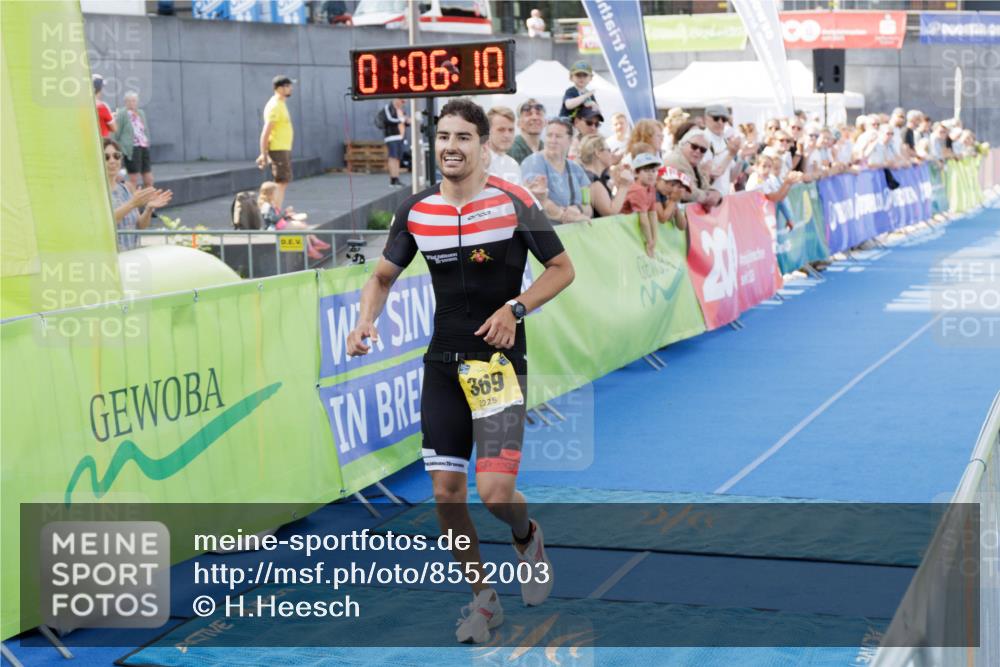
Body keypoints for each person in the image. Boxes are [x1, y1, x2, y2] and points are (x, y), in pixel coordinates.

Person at [346, 98, 574, 645]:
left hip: (495, 367)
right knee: (447, 494)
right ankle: (483, 601)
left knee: (495, 494)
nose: (450, 146)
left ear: (483, 146)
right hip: (441, 366)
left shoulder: (515, 202)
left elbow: (563, 270)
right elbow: (379, 277)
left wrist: (516, 308)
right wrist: (363, 323)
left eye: (462, 138)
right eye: (443, 137)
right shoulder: (416, 209)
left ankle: (527, 537)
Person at [104, 138, 172, 251]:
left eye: (116, 156)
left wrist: (148, 208)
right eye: (106, 157)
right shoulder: (95, 191)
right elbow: (106, 223)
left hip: (131, 258)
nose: (112, 161)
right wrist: (132, 203)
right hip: (110, 259)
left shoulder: (126, 188)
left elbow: (140, 226)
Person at [520, 118, 592, 223]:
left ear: (570, 140)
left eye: (558, 136)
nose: (552, 140)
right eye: (549, 135)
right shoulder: (533, 163)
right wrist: (566, 217)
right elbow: (538, 200)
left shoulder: (576, 169)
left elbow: (588, 205)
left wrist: (578, 210)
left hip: (574, 234)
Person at [257, 181, 330, 260]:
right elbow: (273, 219)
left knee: (302, 225)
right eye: (276, 192)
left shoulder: (270, 203)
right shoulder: (266, 206)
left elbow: (276, 218)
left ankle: (312, 245)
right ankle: (311, 246)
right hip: (275, 228)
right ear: (270, 194)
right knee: (302, 226)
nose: (277, 195)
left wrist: (287, 215)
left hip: (280, 224)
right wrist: (285, 213)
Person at [662, 123, 722, 209]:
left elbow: (705, 186)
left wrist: (714, 193)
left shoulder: (693, 163)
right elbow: (689, 192)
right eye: (694, 146)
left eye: (703, 150)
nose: (698, 151)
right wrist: (709, 197)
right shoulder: (675, 160)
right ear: (683, 143)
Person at [256, 75, 295, 208]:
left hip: (283, 148)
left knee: (283, 182)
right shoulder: (274, 106)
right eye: (288, 86)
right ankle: (274, 213)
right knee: (281, 181)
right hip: (278, 148)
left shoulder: (281, 104)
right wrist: (263, 153)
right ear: (279, 88)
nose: (291, 88)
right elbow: (266, 132)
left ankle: (276, 211)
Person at [578, 134, 632, 218]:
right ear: (598, 153)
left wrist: (617, 183)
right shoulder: (594, 182)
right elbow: (610, 212)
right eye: (609, 150)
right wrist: (624, 186)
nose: (611, 154)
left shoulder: (589, 177)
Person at [622, 152, 661, 258]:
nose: (651, 174)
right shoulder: (637, 189)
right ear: (636, 173)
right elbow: (643, 219)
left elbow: (652, 214)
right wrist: (649, 242)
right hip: (622, 227)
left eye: (653, 171)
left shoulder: (651, 188)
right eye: (646, 170)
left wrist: (654, 239)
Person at [112, 91, 155, 189]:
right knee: (134, 177)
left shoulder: (141, 112)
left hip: (143, 145)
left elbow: (145, 128)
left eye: (134, 101)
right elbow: (116, 132)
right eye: (129, 101)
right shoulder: (122, 114)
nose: (132, 103)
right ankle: (132, 201)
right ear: (125, 102)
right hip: (131, 148)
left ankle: (149, 200)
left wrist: (147, 140)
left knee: (148, 177)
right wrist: (118, 148)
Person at [701, 104, 742, 197]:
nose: (720, 122)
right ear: (706, 119)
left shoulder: (724, 141)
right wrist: (731, 155)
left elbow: (731, 178)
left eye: (724, 119)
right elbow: (712, 174)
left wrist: (741, 157)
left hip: (723, 198)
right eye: (716, 118)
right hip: (708, 199)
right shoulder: (703, 140)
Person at [484, 106, 522, 185]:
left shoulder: (514, 164)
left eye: (511, 130)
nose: (507, 135)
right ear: (488, 131)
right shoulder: (477, 162)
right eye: (501, 130)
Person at [378, 98, 409, 187]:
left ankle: (396, 178)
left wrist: (407, 121)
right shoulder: (388, 108)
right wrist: (402, 120)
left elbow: (403, 123)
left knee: (398, 158)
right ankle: (393, 179)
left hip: (401, 137)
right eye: (402, 101)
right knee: (393, 157)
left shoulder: (401, 110)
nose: (403, 103)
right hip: (391, 137)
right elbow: (388, 119)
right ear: (396, 100)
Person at [509, 99, 545, 164]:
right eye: (529, 114)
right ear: (519, 123)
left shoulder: (546, 148)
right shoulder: (512, 149)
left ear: (545, 122)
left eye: (538, 114)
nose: (535, 117)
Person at [655, 166, 692, 230]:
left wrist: (674, 203)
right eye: (679, 186)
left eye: (685, 189)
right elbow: (663, 218)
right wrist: (673, 201)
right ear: (658, 178)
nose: (682, 190)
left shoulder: (663, 194)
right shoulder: (654, 191)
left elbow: (683, 226)